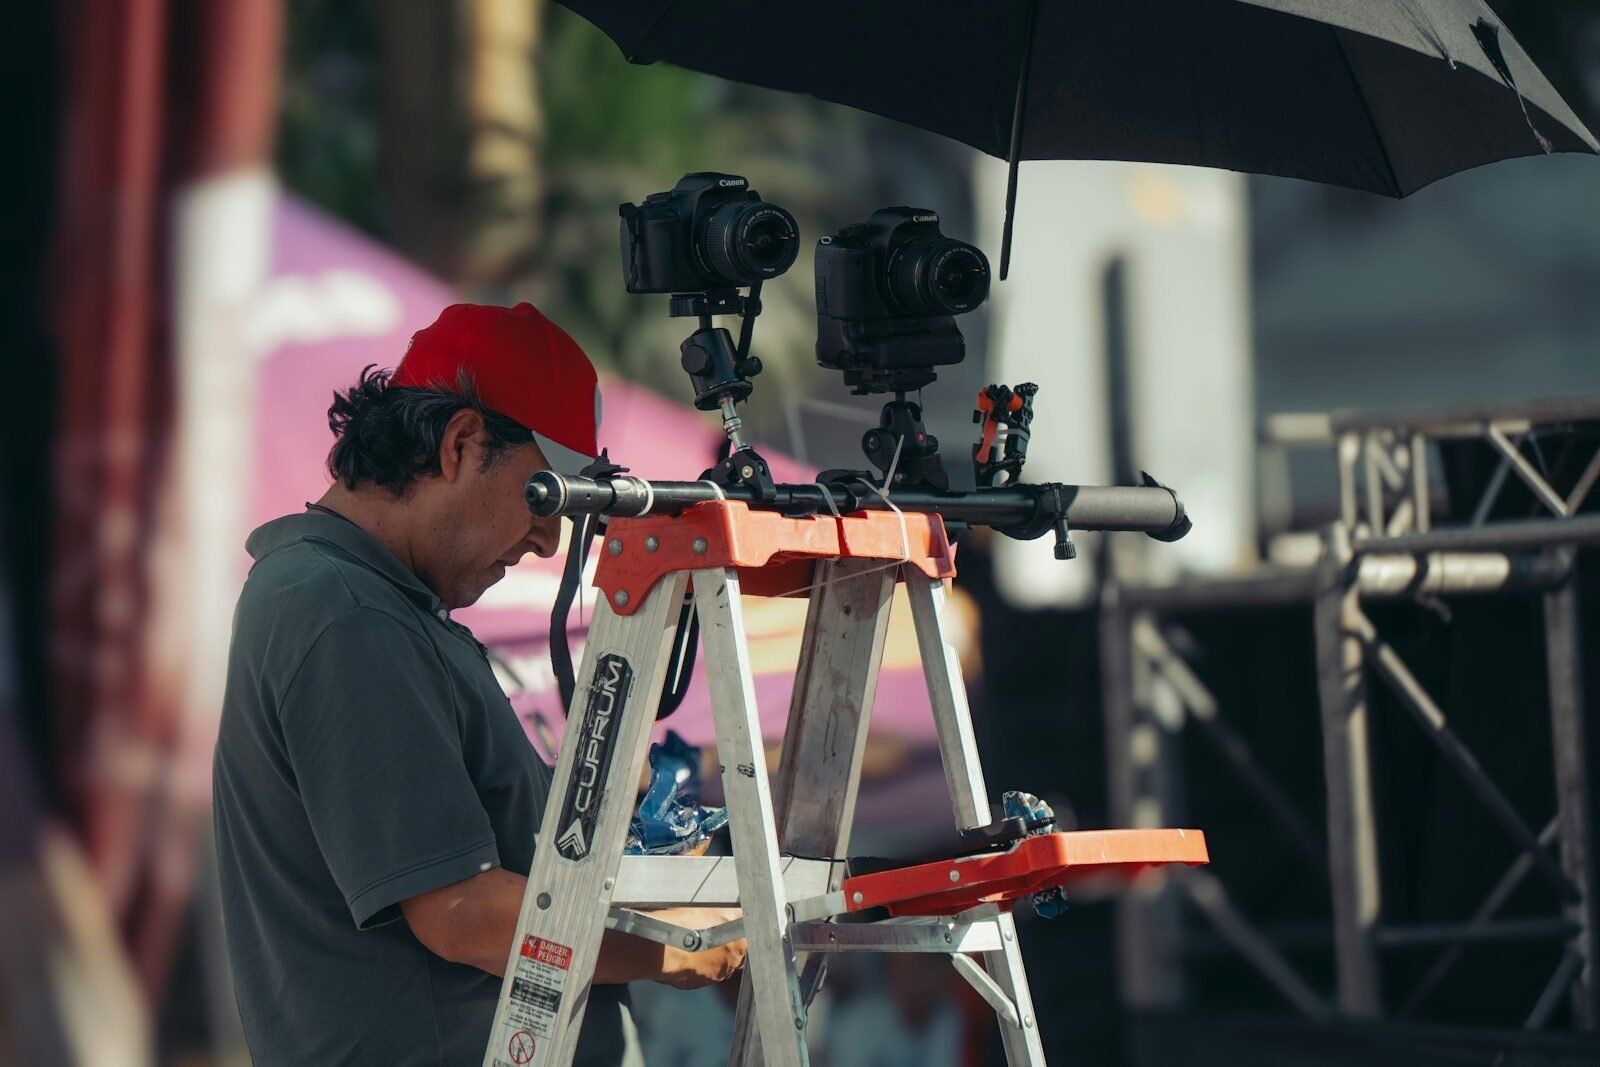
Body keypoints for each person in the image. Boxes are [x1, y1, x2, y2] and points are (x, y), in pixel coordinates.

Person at [213, 302, 745, 1066]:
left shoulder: (377, 605)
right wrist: (684, 944)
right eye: (547, 493)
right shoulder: (345, 611)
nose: (548, 536)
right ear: (462, 443)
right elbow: (465, 913)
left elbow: (507, 873)